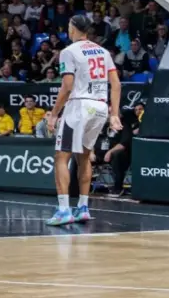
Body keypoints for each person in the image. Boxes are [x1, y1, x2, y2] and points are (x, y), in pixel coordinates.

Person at [45, 15, 122, 226]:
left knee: (61, 156)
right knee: (85, 156)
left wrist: (54, 113)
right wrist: (114, 113)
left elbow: (67, 86)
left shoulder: (68, 52)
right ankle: (83, 207)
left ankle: (63, 210)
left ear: (73, 28)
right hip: (99, 107)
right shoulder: (103, 51)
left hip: (79, 106)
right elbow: (116, 84)